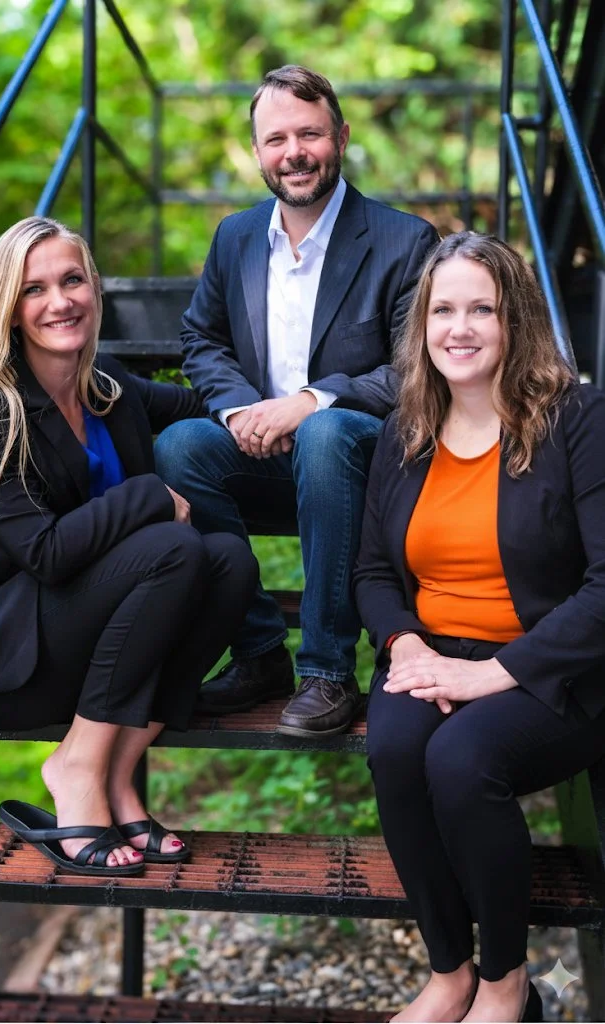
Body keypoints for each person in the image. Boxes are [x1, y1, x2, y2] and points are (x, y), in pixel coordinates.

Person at [0, 216, 258, 877]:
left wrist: (295, 409)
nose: (60, 301)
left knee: (228, 561)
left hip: (89, 646)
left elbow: (197, 407)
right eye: (34, 289)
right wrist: (151, 498)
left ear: (94, 288)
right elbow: (44, 553)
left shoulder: (105, 388)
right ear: (8, 310)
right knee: (176, 549)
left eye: (72, 280)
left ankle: (118, 772)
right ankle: (75, 766)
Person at [354, 230, 605, 1022]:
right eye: (442, 311)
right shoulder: (403, 429)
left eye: (481, 310)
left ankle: (505, 984)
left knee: (461, 761)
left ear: (514, 321)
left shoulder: (577, 418)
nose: (457, 329)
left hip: (552, 661)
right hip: (433, 649)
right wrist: (406, 646)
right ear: (421, 325)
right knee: (394, 748)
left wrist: (493, 674)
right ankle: (449, 973)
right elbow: (368, 573)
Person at [154, 65, 439, 738]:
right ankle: (258, 652)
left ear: (339, 136)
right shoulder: (235, 237)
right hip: (264, 457)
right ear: (256, 151)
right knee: (177, 445)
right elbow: (202, 338)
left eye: (308, 133)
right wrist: (238, 412)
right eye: (275, 138)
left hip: (364, 469)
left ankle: (327, 672)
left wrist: (308, 405)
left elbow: (413, 367)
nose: (293, 153)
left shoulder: (404, 241)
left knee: (326, 433)